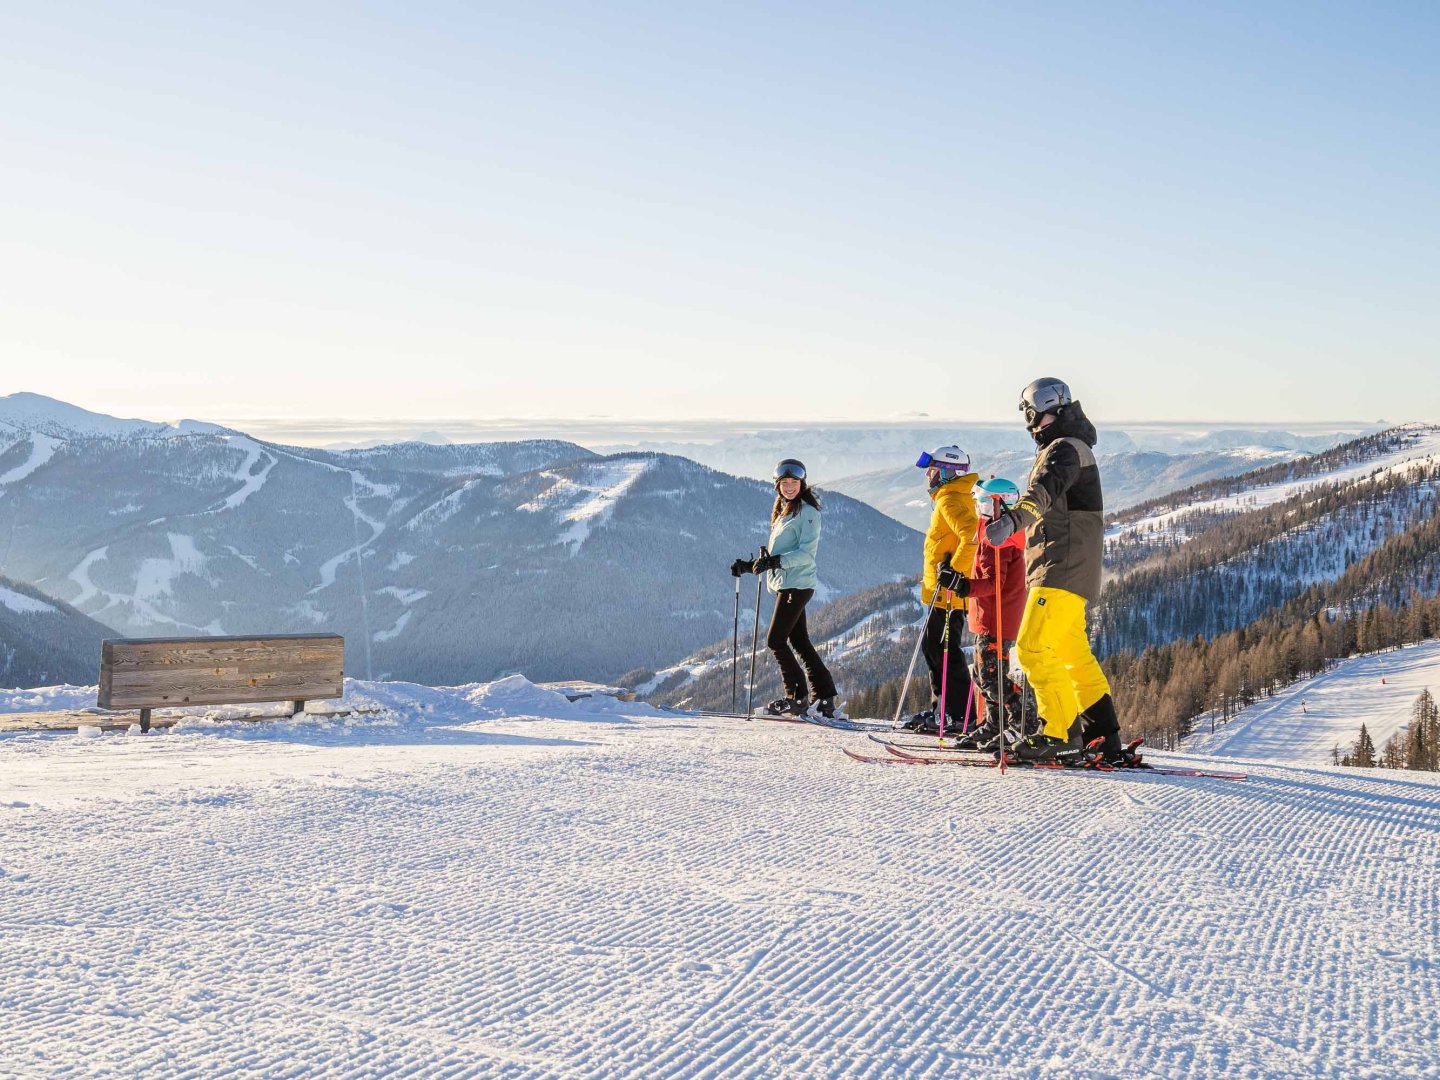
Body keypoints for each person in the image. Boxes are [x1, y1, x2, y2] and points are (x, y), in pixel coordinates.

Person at [984, 378, 1126, 765]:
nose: (1030, 422)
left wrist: (1012, 522)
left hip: (1060, 565)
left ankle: (1061, 734)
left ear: (1042, 411)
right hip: (1072, 566)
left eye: (1031, 414)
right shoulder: (1070, 446)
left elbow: (1043, 493)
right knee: (1071, 654)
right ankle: (1102, 736)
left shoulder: (1063, 450)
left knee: (1031, 648)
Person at [731, 459, 840, 718]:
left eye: (794, 482)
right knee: (799, 641)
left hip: (797, 584)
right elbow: (779, 553)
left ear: (802, 483)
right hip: (787, 583)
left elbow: (806, 554)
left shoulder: (808, 512)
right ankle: (824, 697)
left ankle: (797, 697)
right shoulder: (784, 509)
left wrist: (775, 561)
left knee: (775, 640)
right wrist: (750, 566)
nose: (790, 487)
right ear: (777, 485)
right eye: (784, 482)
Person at [900, 446, 978, 735]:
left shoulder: (950, 500)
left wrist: (954, 571)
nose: (929, 477)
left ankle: (962, 715)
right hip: (942, 591)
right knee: (935, 648)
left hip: (949, 593)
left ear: (946, 472)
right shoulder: (950, 497)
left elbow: (972, 535)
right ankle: (943, 710)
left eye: (932, 471)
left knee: (945, 650)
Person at [954, 477, 1033, 751]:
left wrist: (963, 585)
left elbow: (993, 583)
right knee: (983, 675)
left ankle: (1021, 723)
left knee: (992, 677)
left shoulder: (998, 540)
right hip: (992, 617)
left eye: (984, 502)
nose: (978, 508)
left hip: (996, 619)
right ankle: (994, 723)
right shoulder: (1001, 533)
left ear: (998, 504)